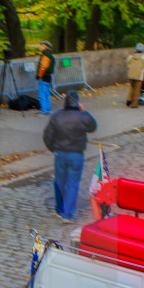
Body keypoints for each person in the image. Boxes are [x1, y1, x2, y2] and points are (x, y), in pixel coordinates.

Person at [43, 90, 97, 222]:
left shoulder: (57, 116)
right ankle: (67, 214)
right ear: (77, 103)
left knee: (59, 182)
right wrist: (84, 111)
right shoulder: (82, 117)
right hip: (76, 155)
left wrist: (53, 149)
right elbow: (93, 126)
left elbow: (47, 136)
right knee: (72, 184)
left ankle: (59, 209)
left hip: (60, 153)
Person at [35, 41, 55, 115]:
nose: (41, 47)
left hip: (43, 76)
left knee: (41, 94)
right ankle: (47, 110)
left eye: (42, 45)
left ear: (46, 47)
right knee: (46, 94)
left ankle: (43, 110)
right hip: (48, 77)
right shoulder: (50, 56)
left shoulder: (45, 56)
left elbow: (43, 67)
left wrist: (39, 75)